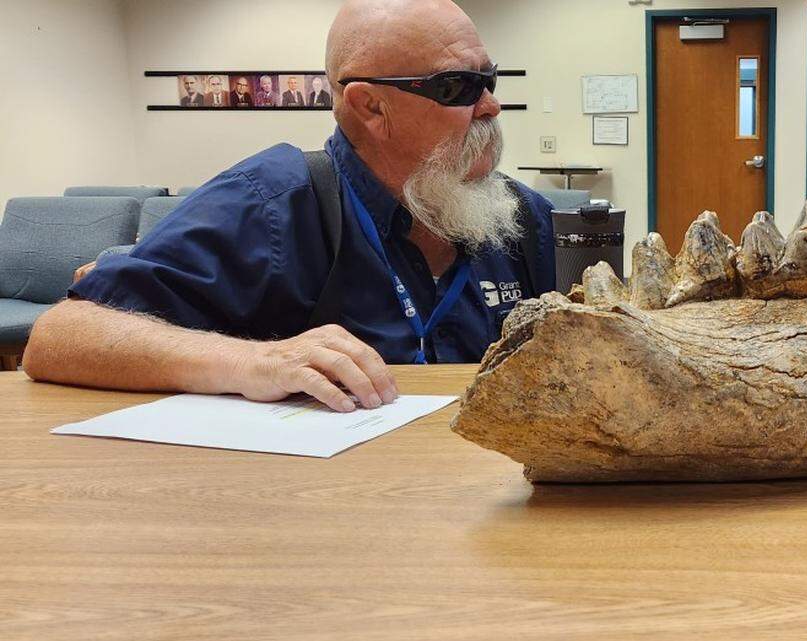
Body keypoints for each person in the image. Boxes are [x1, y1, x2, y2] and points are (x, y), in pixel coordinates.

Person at [24, 0, 557, 415]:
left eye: (488, 79)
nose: (491, 104)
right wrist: (253, 360)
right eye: (458, 87)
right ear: (371, 107)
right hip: (326, 505)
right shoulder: (271, 202)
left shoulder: (521, 216)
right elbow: (61, 337)